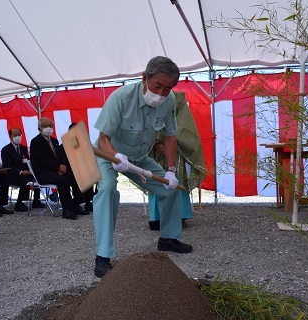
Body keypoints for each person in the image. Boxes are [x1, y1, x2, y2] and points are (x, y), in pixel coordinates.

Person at [92, 56, 192, 278]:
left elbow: (170, 137)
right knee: (107, 190)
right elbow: (103, 139)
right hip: (109, 154)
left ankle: (168, 238)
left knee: (170, 188)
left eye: (168, 89)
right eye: (158, 86)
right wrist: (116, 157)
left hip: (139, 157)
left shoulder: (169, 102)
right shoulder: (120, 98)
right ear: (144, 78)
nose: (161, 94)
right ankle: (103, 256)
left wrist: (171, 171)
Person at [147, 91, 206, 230]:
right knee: (156, 180)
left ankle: (180, 216)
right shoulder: (152, 104)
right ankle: (157, 217)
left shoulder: (179, 104)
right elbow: (147, 126)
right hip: (155, 152)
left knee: (175, 180)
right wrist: (156, 142)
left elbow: (185, 129)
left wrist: (169, 143)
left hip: (176, 152)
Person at [29, 117, 88, 220]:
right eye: (46, 126)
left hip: (56, 171)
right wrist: (57, 168)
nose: (49, 128)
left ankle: (75, 204)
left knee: (76, 177)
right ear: (39, 128)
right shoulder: (35, 142)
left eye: (50, 126)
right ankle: (67, 210)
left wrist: (62, 167)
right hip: (43, 173)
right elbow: (42, 160)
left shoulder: (54, 141)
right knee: (63, 181)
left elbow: (61, 157)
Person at [1, 128, 45, 212]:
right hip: (12, 175)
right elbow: (7, 165)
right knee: (25, 180)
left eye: (19, 135)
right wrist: (20, 172)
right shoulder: (6, 149)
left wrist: (30, 170)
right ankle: (19, 203)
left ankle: (36, 200)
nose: (18, 137)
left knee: (37, 176)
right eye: (15, 135)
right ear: (10, 137)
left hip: (24, 173)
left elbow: (27, 162)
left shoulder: (23, 148)